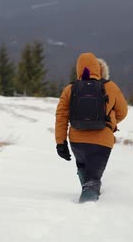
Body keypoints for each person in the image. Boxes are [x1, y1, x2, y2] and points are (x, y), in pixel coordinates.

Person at [55, 53, 128, 203]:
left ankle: (89, 193)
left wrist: (60, 143)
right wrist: (109, 121)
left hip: (77, 141)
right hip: (102, 142)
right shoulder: (110, 87)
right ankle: (87, 208)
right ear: (98, 67)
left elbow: (61, 117)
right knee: (93, 179)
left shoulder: (70, 89)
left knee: (84, 170)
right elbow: (123, 112)